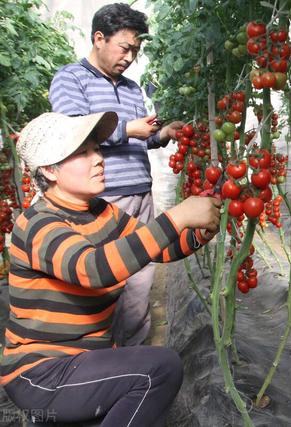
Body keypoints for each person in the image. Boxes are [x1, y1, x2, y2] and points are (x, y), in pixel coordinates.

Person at [1, 111, 222, 426]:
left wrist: (200, 232)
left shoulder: (101, 213)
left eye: (96, 148)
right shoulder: (37, 224)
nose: (98, 159)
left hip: (84, 362)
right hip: (42, 373)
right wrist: (177, 217)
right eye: (83, 153)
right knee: (159, 370)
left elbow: (159, 248)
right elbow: (93, 269)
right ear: (50, 170)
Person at [49, 3, 183, 346]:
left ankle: (132, 357)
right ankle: (97, 361)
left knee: (140, 282)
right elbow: (72, 131)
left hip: (140, 193)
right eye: (125, 48)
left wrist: (161, 135)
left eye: (135, 51)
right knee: (103, 283)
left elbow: (141, 139)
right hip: (103, 198)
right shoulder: (70, 78)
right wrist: (127, 129)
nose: (130, 57)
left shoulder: (132, 88)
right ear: (99, 38)